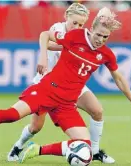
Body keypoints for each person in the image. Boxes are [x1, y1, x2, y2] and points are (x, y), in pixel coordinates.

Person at [0, 7, 131, 165]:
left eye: (106, 37)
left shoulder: (106, 54)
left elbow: (119, 78)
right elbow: (45, 35)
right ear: (91, 30)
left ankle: (37, 150)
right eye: (99, 35)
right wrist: (43, 57)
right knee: (12, 116)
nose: (101, 40)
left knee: (85, 152)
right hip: (47, 90)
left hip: (66, 103)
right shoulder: (74, 36)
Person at [7, 3, 114, 164]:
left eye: (81, 24)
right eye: (74, 23)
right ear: (66, 17)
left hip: (72, 85)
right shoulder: (58, 28)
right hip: (49, 83)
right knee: (36, 127)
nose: (77, 26)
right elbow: (47, 40)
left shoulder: (81, 35)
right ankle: (18, 146)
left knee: (97, 111)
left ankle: (95, 151)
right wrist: (45, 55)